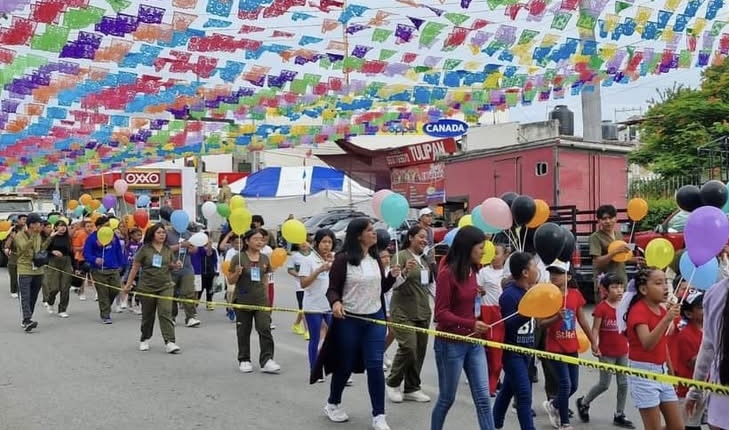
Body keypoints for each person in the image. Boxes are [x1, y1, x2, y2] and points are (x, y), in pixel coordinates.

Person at [314, 217, 400, 430]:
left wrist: (393, 277)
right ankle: (333, 403)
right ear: (358, 235)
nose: (374, 233)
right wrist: (335, 302)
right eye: (370, 230)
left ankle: (379, 415)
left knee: (375, 365)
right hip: (350, 320)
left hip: (375, 318)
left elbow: (381, 288)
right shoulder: (343, 259)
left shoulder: (375, 258)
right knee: (345, 365)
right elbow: (332, 289)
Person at [430, 225, 494, 430]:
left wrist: (477, 294)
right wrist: (471, 323)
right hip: (450, 344)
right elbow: (441, 314)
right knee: (446, 399)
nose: (484, 251)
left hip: (474, 342)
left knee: (483, 399)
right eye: (480, 247)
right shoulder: (447, 274)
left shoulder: (474, 270)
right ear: (468, 247)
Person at [618, 267, 683, 430]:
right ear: (643, 289)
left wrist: (670, 372)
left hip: (662, 372)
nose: (665, 287)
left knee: (677, 426)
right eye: (659, 283)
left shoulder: (661, 309)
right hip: (643, 374)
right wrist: (667, 319)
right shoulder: (638, 311)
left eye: (666, 282)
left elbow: (663, 344)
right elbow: (647, 343)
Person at [540, 260, 594, 430]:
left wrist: (594, 342)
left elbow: (583, 320)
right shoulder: (548, 296)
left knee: (574, 385)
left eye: (558, 273)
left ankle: (554, 404)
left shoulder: (575, 295)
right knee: (565, 384)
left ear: (568, 277)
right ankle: (564, 423)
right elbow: (541, 324)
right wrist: (557, 317)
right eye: (552, 273)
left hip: (571, 346)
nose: (554, 276)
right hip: (555, 347)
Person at [576, 273, 634, 428]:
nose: (619, 290)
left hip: (623, 351)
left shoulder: (625, 306)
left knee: (623, 383)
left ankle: (619, 414)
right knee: (604, 384)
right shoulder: (602, 308)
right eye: (614, 287)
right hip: (606, 353)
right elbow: (595, 328)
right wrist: (594, 344)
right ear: (606, 290)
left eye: (621, 286)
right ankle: (584, 402)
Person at [492, 251, 540, 430]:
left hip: (527, 350)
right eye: (534, 266)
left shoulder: (530, 292)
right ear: (525, 272)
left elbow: (537, 322)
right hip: (513, 352)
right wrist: (527, 312)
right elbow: (509, 324)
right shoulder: (509, 295)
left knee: (508, 389)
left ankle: (494, 423)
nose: (537, 270)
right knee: (524, 394)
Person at [386, 225, 433, 404]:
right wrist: (405, 271)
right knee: (409, 347)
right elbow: (392, 284)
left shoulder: (424, 259)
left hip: (423, 310)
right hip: (402, 311)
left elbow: (430, 285)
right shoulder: (400, 256)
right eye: (421, 236)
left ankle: (412, 388)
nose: (424, 240)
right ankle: (392, 382)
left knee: (419, 351)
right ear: (411, 237)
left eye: (426, 237)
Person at [121, 223, 182, 353]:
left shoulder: (167, 249)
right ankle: (145, 338)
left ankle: (170, 342)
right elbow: (135, 268)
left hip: (166, 285)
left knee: (165, 312)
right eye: (159, 232)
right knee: (148, 315)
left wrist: (176, 265)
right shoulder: (144, 249)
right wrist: (128, 285)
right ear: (152, 234)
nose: (162, 235)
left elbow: (170, 265)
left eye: (163, 233)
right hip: (147, 287)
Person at [227, 228, 280, 374]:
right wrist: (237, 273)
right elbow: (230, 280)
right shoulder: (238, 258)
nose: (259, 242)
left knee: (265, 328)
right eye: (256, 239)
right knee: (243, 331)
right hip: (243, 299)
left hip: (261, 301)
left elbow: (265, 280)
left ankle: (267, 360)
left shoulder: (264, 259)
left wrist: (267, 299)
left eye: (261, 239)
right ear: (247, 241)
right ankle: (244, 359)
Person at [686, 278, 729, 430]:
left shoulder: (714, 293)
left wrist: (695, 391)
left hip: (720, 397)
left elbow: (707, 350)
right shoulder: (715, 293)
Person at [298, 229, 335, 375]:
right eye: (324, 242)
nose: (327, 245)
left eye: (330, 242)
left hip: (330, 305)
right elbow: (303, 283)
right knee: (315, 338)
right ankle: (315, 369)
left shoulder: (334, 259)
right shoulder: (308, 260)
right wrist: (319, 270)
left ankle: (335, 369)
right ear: (317, 243)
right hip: (313, 306)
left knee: (335, 338)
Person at [589, 204, 643, 303]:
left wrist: (632, 260)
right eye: (604, 219)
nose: (608, 221)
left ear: (616, 219)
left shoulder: (618, 234)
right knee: (606, 311)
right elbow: (597, 262)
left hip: (621, 281)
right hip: (606, 284)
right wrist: (615, 251)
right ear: (599, 221)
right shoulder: (595, 237)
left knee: (622, 310)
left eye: (610, 218)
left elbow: (620, 258)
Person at [476, 243, 508, 396]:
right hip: (487, 313)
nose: (494, 256)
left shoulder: (508, 273)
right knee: (490, 352)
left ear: (505, 255)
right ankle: (489, 384)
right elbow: (477, 293)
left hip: (503, 314)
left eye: (497, 253)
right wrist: (479, 292)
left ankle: (494, 383)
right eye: (492, 253)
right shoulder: (483, 272)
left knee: (499, 353)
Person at [83, 216, 125, 324]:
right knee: (103, 292)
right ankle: (105, 315)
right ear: (98, 227)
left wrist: (121, 264)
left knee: (115, 289)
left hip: (113, 268)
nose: (108, 228)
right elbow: (86, 253)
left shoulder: (113, 236)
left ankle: (106, 305)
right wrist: (95, 259)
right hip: (99, 270)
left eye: (109, 226)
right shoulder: (92, 238)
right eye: (106, 226)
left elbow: (119, 251)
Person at [672, 291, 704, 430]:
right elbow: (692, 363)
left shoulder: (708, 331)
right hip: (687, 390)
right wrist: (710, 351)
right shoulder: (686, 335)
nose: (706, 309)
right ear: (689, 314)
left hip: (704, 388)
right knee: (689, 426)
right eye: (701, 307)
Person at [13, 213, 45, 332]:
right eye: (38, 223)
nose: (40, 225)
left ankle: (28, 317)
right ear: (31, 224)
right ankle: (27, 320)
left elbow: (39, 249)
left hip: (38, 269)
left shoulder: (38, 235)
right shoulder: (19, 235)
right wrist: (32, 237)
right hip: (24, 269)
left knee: (33, 296)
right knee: (25, 296)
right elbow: (23, 248)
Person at [165, 221, 200, 328]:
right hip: (171, 268)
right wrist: (181, 245)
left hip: (187, 268)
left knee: (188, 292)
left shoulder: (188, 234)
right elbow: (164, 249)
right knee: (171, 294)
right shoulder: (167, 234)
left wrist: (192, 248)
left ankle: (190, 317)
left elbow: (194, 249)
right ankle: (171, 317)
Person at [42, 219, 73, 318]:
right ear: (55, 227)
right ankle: (50, 301)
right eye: (60, 226)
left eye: (64, 226)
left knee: (65, 287)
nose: (63, 228)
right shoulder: (51, 237)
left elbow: (71, 252)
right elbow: (42, 249)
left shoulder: (68, 238)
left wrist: (75, 266)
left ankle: (62, 309)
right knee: (54, 287)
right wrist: (52, 252)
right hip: (53, 262)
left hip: (66, 262)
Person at [288, 238, 314, 339]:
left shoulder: (314, 256)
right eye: (301, 242)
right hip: (300, 286)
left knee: (304, 308)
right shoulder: (295, 256)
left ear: (310, 244)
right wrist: (299, 275)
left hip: (312, 286)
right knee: (303, 308)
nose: (303, 244)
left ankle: (296, 324)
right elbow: (290, 269)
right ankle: (308, 330)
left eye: (306, 242)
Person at [4, 222, 23, 298]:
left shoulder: (25, 237)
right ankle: (13, 290)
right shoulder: (12, 237)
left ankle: (21, 289)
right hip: (13, 259)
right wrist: (11, 237)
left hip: (23, 259)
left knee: (23, 276)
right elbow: (7, 246)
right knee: (13, 276)